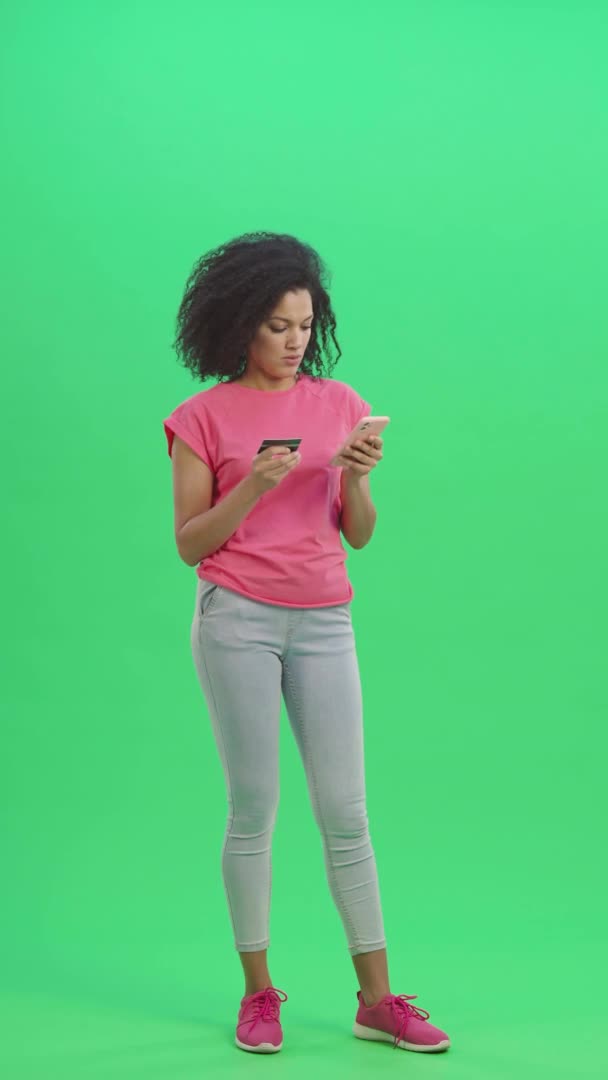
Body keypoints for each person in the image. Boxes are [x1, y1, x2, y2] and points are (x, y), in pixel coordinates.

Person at [163, 232, 450, 1055]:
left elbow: (357, 536)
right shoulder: (201, 418)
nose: (294, 342)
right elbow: (189, 544)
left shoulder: (338, 404)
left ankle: (378, 998)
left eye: (304, 324)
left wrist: (356, 477)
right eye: (278, 326)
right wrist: (252, 484)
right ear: (239, 327)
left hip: (325, 621)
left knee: (347, 813)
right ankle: (259, 994)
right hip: (235, 621)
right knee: (254, 810)